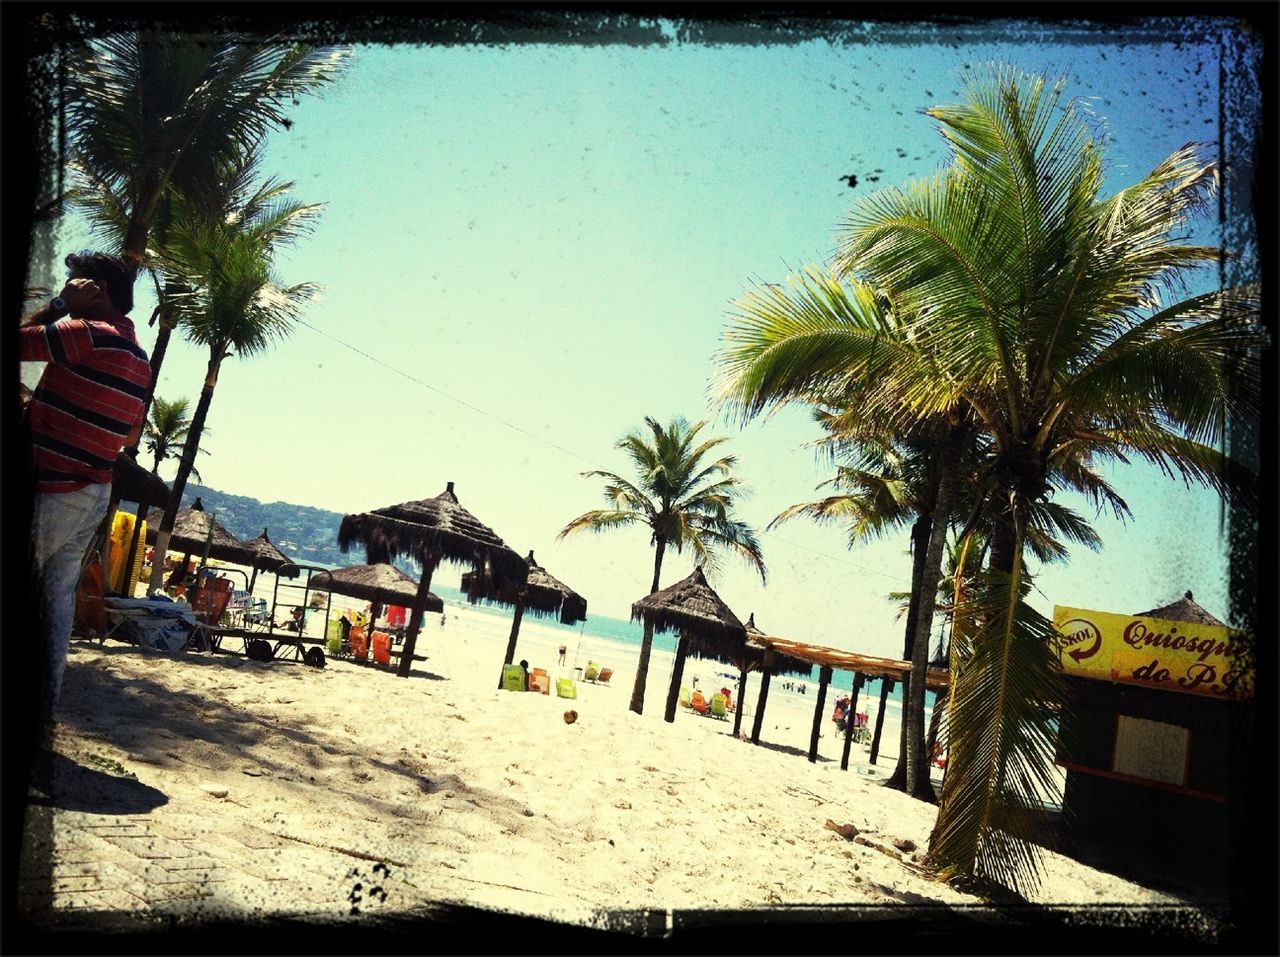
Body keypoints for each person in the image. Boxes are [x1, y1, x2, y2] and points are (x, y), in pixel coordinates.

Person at [21, 252, 150, 722]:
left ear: (96, 290)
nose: (68, 286)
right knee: (55, 608)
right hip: (92, 493)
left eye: (75, 281)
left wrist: (58, 304)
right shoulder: (139, 359)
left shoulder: (86, 334)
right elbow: (130, 436)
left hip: (50, 487)